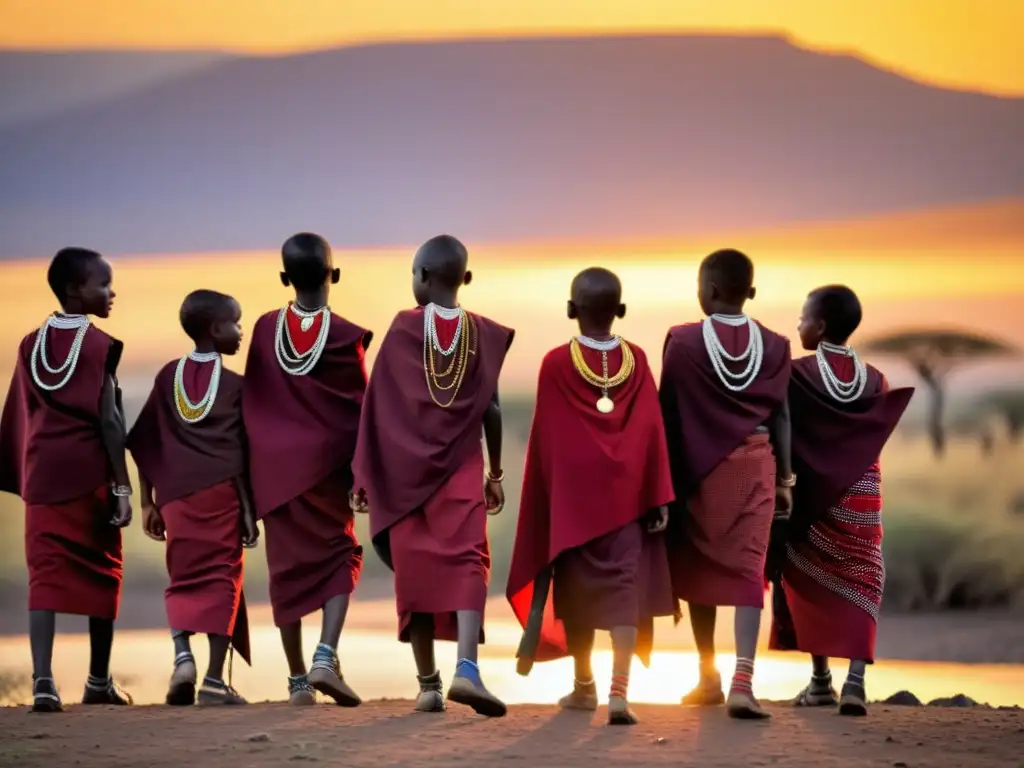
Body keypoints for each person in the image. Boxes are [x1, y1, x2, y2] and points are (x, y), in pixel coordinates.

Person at [351, 234, 514, 717]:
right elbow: (494, 408)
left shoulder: (403, 329)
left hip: (403, 475)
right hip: (463, 468)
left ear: (421, 277)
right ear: (464, 279)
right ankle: (468, 667)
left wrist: (363, 474)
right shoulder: (481, 331)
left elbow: (374, 407)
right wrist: (497, 472)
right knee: (469, 563)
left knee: (415, 571)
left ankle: (428, 686)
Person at [507, 268, 676, 725]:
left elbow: (547, 438)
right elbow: (651, 431)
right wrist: (658, 496)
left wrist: (546, 498)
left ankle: (585, 687)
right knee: (623, 588)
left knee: (576, 592)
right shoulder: (637, 359)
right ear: (619, 311)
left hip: (572, 499)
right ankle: (618, 695)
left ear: (570, 310)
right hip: (627, 496)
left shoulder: (555, 362)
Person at [767, 285, 913, 716]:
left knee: (806, 578)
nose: (797, 324)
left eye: (803, 316)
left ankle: (820, 681)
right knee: (862, 579)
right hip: (862, 496)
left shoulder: (796, 374)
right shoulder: (875, 378)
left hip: (813, 499)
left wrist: (783, 482)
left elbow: (781, 430)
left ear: (822, 325)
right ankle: (853, 682)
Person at [660, 248, 793, 719]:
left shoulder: (682, 341)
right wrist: (786, 480)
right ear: (750, 292)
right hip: (759, 466)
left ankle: (708, 676)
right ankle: (743, 682)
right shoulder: (775, 346)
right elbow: (781, 414)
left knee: (699, 569)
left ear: (710, 290)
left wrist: (664, 485)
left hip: (700, 470)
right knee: (747, 573)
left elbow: (669, 415)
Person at [0, 247, 133, 712]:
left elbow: (21, 411)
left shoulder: (27, 344)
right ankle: (98, 681)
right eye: (103, 284)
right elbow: (111, 423)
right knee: (104, 572)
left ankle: (42, 682)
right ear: (76, 290)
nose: (111, 292)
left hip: (42, 476)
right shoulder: (101, 346)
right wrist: (122, 486)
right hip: (89, 476)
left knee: (45, 577)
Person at [243, 233, 372, 706]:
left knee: (286, 573)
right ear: (334, 275)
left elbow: (252, 403)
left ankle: (298, 681)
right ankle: (325, 654)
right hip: (327, 471)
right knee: (342, 555)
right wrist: (364, 475)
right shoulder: (343, 336)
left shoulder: (262, 329)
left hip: (274, 474)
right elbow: (362, 409)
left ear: (284, 278)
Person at [127, 289, 258, 706]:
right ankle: (215, 681)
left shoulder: (169, 376)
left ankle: (183, 657)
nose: (241, 331)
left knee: (182, 577)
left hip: (175, 500)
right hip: (221, 496)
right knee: (223, 578)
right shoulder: (236, 385)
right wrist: (250, 512)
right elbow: (241, 454)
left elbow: (145, 439)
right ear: (215, 329)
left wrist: (148, 501)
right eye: (236, 323)